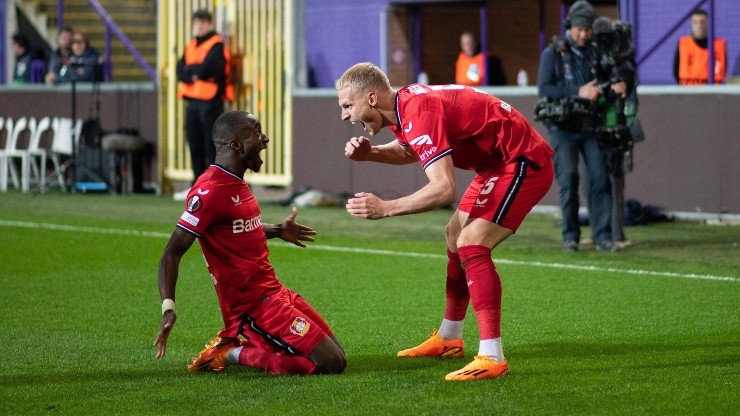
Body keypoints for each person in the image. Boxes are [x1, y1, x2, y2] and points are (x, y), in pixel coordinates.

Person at [335, 62, 554, 381]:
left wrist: (385, 208)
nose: (344, 115)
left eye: (346, 105)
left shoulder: (417, 108)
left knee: (472, 241)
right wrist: (372, 154)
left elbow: (444, 190)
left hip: (522, 162)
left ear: (371, 99)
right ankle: (450, 337)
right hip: (494, 166)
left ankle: (493, 356)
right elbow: (414, 149)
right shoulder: (404, 105)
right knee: (454, 235)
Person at [154, 110, 346, 376]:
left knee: (337, 353)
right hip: (251, 309)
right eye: (257, 133)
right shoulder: (209, 192)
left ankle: (254, 345)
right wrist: (168, 309)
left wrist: (278, 230)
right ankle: (231, 352)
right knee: (331, 364)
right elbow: (171, 253)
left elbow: (238, 229)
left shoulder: (237, 182)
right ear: (236, 145)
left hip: (275, 292)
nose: (265, 139)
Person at [536, 0, 619, 252]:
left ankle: (603, 237)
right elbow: (544, 89)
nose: (584, 34)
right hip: (563, 129)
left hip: (590, 127)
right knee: (569, 180)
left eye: (587, 29)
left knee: (600, 179)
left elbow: (605, 80)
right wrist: (578, 91)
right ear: (570, 27)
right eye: (579, 29)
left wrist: (614, 87)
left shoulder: (596, 53)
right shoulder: (553, 53)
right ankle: (570, 236)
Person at [175, 9, 235, 201]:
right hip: (192, 102)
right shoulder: (191, 44)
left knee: (211, 145)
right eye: (196, 23)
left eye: (203, 22)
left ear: (209, 24)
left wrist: (193, 72)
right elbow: (180, 70)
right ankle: (197, 185)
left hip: (211, 102)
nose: (199, 26)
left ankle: (214, 186)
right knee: (194, 143)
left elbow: (208, 68)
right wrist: (193, 72)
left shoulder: (216, 44)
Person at [673, 9, 727, 85]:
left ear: (708, 23)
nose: (699, 26)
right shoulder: (683, 44)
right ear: (691, 24)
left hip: (711, 91)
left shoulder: (719, 45)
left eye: (702, 22)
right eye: (695, 22)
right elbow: (675, 70)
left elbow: (722, 70)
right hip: (687, 90)